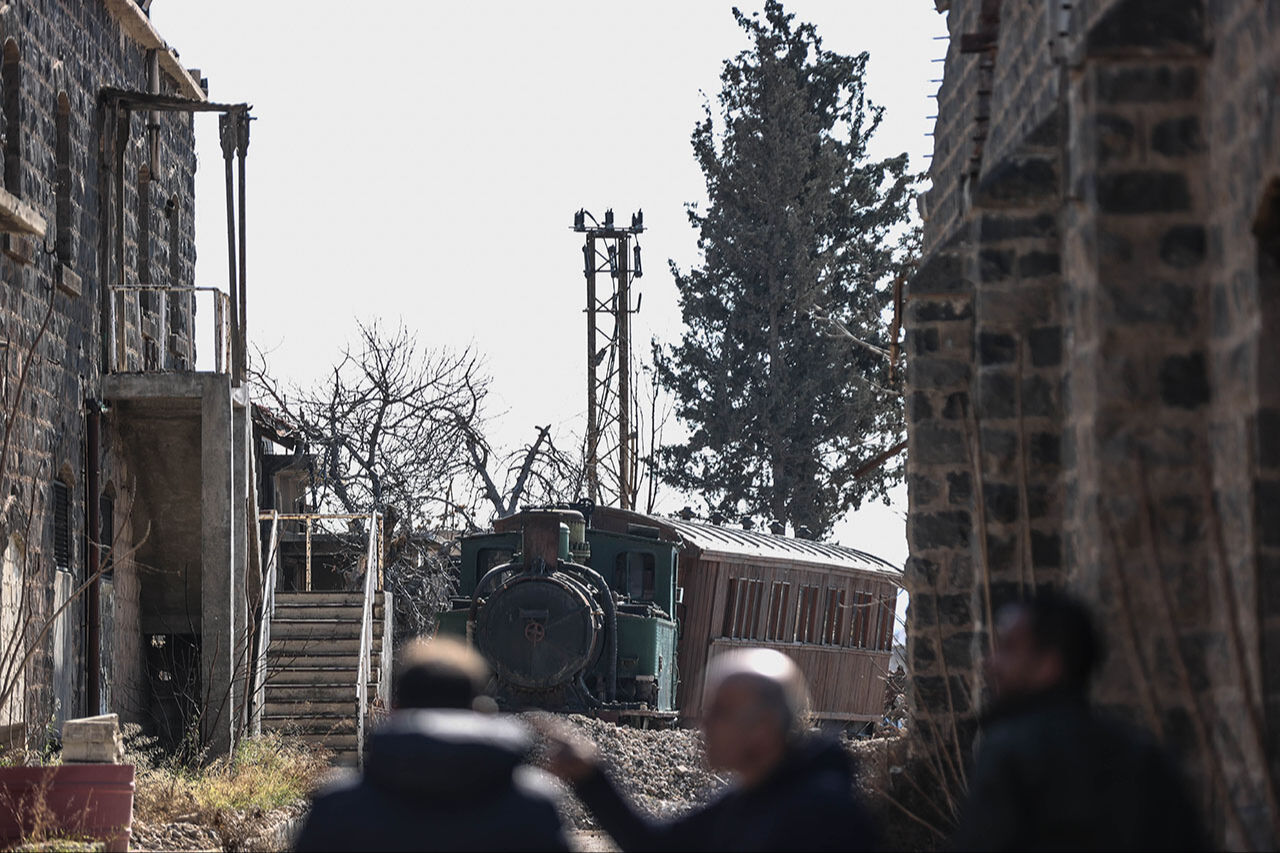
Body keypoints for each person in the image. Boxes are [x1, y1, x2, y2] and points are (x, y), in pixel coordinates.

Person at [540, 647, 877, 851]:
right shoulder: (746, 799)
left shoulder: (823, 814)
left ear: (763, 727)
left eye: (721, 713)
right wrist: (590, 775)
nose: (705, 727)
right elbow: (657, 847)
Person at [952, 593, 1207, 852]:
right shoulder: (1144, 755)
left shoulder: (1010, 756)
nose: (990, 663)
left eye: (1008, 649)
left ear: (1049, 664)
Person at [293, 637, 568, 852]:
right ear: (481, 711)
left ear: (395, 711)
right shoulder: (532, 811)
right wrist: (593, 780)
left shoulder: (337, 811)